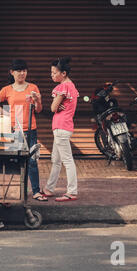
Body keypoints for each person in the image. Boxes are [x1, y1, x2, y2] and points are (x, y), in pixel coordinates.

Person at [0, 59, 44, 201]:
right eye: (19, 70)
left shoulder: (33, 87)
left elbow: (39, 110)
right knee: (14, 160)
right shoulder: (7, 89)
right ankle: (17, 190)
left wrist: (37, 100)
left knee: (32, 160)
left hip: (31, 129)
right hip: (13, 130)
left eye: (24, 70)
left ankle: (36, 191)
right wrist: (5, 114)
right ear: (12, 72)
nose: (22, 73)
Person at [42, 57, 79, 202]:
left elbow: (52, 108)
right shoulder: (72, 86)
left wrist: (56, 105)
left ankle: (72, 191)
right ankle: (49, 189)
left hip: (62, 127)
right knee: (56, 160)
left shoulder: (63, 87)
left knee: (67, 160)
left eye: (54, 73)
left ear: (63, 73)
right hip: (63, 127)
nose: (52, 75)